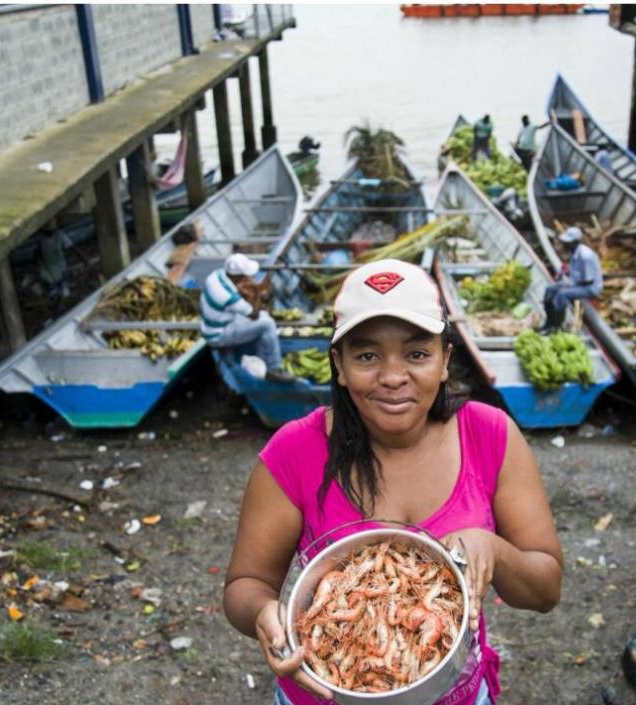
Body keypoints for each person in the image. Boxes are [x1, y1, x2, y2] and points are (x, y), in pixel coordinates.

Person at [223, 258, 562, 705]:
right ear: (339, 365)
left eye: (417, 353)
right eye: (366, 355)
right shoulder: (294, 451)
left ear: (445, 360)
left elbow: (545, 591)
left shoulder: (491, 435)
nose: (393, 377)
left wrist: (492, 549)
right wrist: (264, 614)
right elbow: (245, 583)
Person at [202, 253, 295, 383]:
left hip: (211, 326)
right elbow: (254, 314)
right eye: (246, 275)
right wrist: (256, 291)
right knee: (267, 323)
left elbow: (237, 294)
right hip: (219, 335)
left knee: (264, 317)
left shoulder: (215, 276)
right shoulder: (229, 298)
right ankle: (273, 369)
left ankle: (264, 355)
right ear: (239, 276)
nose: (249, 277)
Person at [540, 227, 602, 333]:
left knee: (562, 294)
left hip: (590, 287)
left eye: (567, 243)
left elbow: (588, 280)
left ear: (575, 242)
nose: (564, 245)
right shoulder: (574, 252)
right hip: (578, 283)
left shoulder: (586, 256)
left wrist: (570, 285)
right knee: (550, 289)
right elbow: (576, 272)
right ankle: (548, 323)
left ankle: (556, 326)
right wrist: (566, 271)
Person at [35, 217, 70, 304]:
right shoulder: (40, 238)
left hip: (59, 266)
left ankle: (64, 303)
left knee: (64, 290)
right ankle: (56, 304)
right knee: (52, 290)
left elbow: (70, 246)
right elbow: (37, 252)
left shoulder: (59, 235)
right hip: (46, 268)